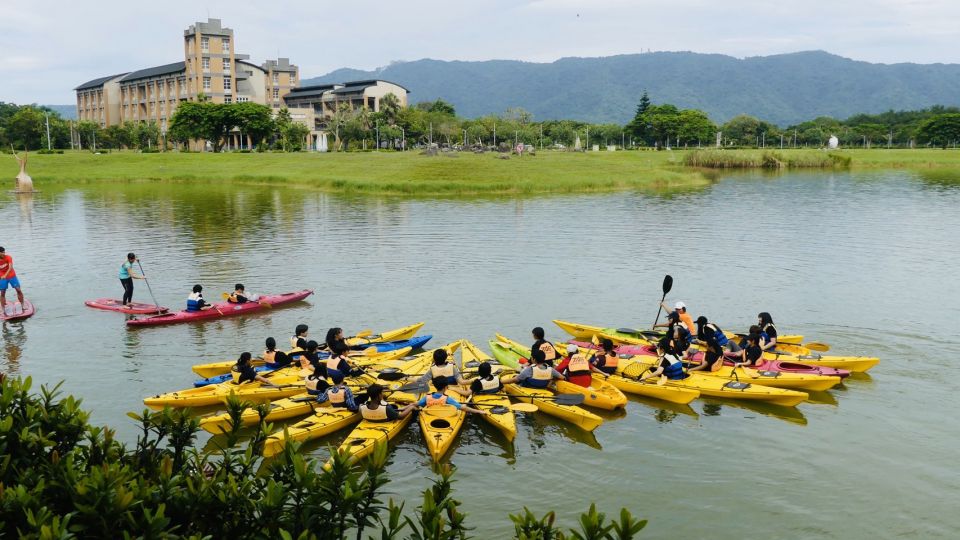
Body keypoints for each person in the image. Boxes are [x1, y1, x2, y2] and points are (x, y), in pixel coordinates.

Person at [401, 377, 488, 416]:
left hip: (431, 415)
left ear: (434, 386)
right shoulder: (448, 399)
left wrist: (403, 408)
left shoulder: (427, 397)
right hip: (445, 415)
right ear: (446, 387)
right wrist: (478, 411)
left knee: (413, 406)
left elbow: (415, 404)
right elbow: (463, 408)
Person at [0, 247, 25, 316]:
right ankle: (3, 309)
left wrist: (5, 275)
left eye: (4, 252)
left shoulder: (8, 257)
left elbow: (10, 267)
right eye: (2, 252)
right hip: (2, 278)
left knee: (18, 290)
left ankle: (22, 306)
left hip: (11, 276)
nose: (3, 253)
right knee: (2, 293)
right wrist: (2, 276)